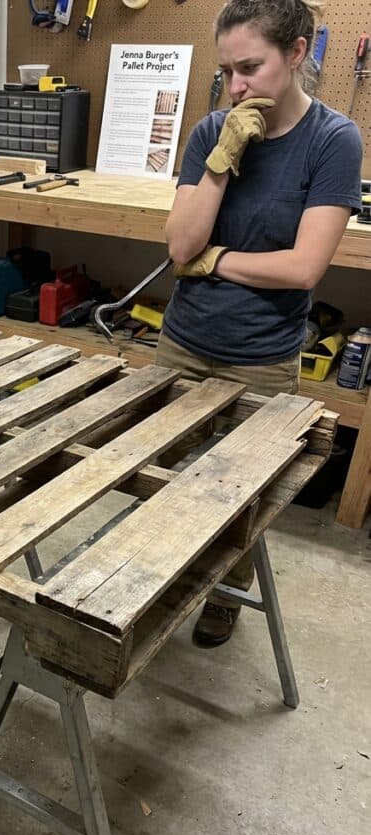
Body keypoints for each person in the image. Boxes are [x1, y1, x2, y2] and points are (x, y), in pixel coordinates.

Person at [158, 0, 363, 646]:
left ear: (297, 53)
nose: (235, 86)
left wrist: (216, 258)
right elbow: (177, 248)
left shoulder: (332, 141)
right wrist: (221, 158)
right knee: (160, 481)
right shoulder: (210, 133)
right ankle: (159, 583)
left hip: (261, 357)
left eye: (250, 67)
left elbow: (303, 268)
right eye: (226, 72)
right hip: (183, 343)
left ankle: (225, 595)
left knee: (241, 496)